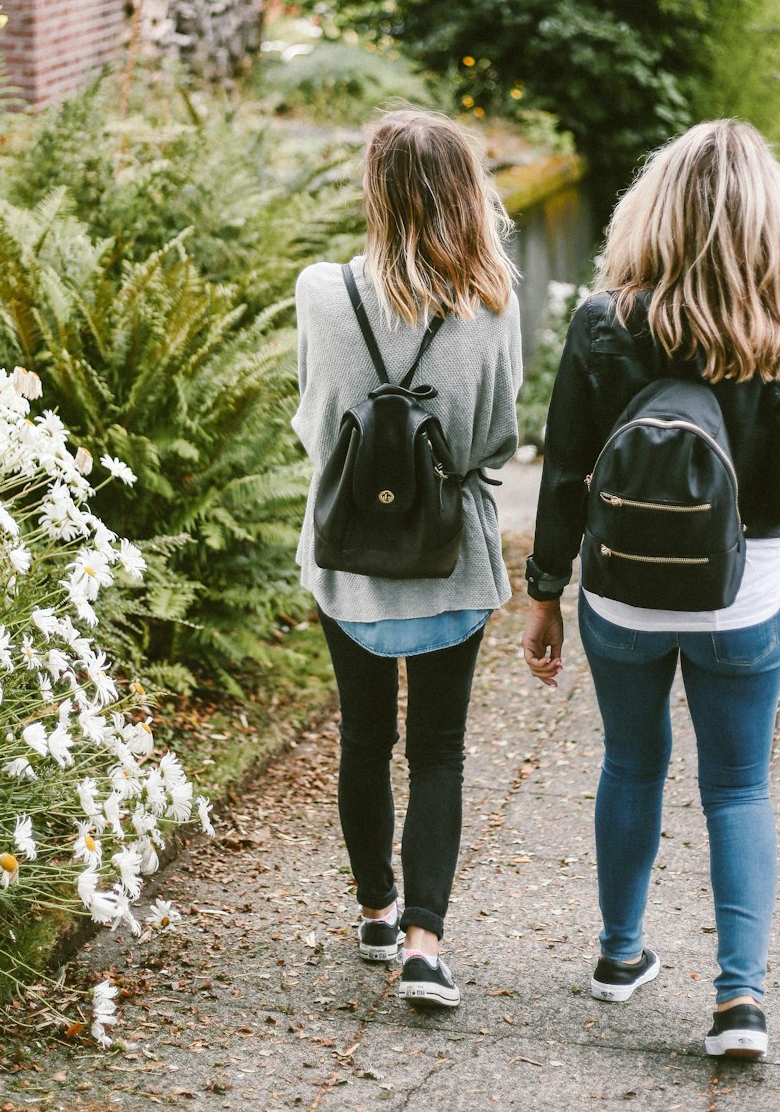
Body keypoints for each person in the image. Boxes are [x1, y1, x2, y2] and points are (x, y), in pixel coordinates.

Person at [520, 120, 780, 1061]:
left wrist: (545, 592)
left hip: (620, 597)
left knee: (631, 765)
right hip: (742, 598)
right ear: (771, 219)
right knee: (739, 786)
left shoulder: (601, 320)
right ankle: (739, 1002)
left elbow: (566, 472)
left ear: (652, 208)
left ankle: (619, 957)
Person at [293, 109, 522, 1010]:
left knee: (362, 736)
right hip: (449, 564)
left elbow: (313, 426)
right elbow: (498, 439)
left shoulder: (321, 291)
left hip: (348, 562)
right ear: (467, 192)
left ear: (376, 191)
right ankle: (426, 947)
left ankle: (378, 912)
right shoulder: (493, 301)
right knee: (438, 753)